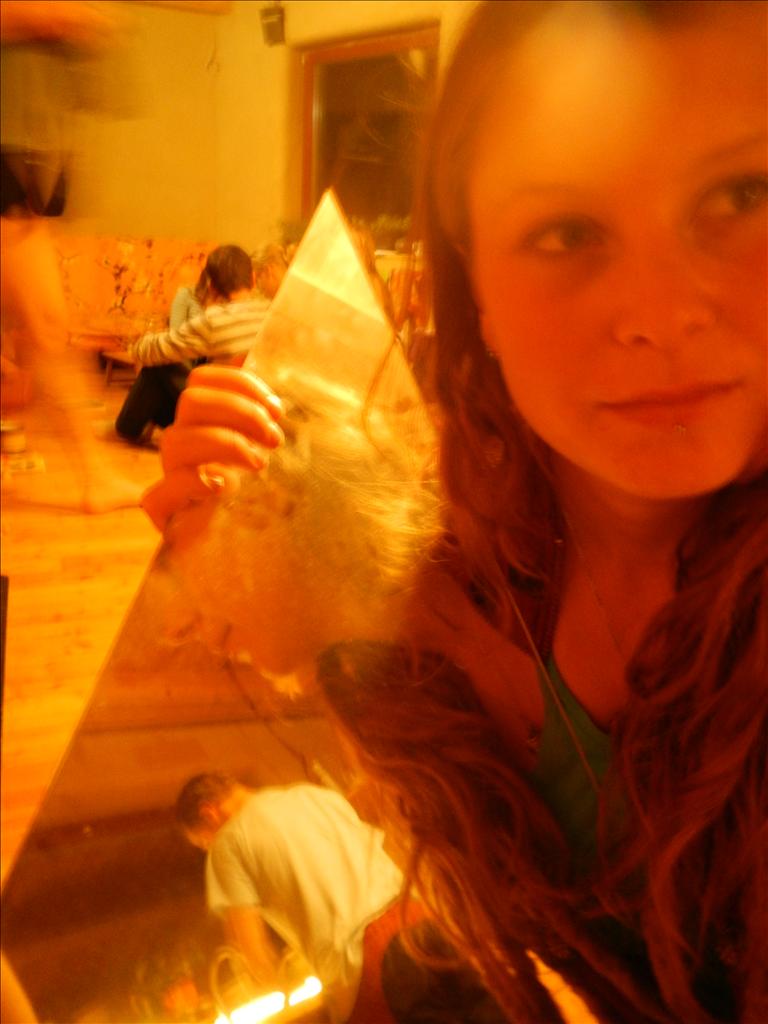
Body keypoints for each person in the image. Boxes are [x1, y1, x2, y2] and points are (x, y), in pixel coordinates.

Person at [143, 3, 767, 1023]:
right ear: (476, 290)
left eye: (742, 193)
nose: (661, 312)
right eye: (567, 230)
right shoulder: (433, 584)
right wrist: (223, 541)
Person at [1, 0, 143, 511]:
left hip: (23, 155)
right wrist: (53, 16)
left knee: (38, 330)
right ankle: (96, 477)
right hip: (8, 158)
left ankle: (94, 475)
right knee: (45, 326)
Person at [175, 774, 405, 1024]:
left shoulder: (227, 844)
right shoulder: (310, 795)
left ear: (209, 813)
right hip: (414, 918)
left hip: (367, 964)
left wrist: (275, 991)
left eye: (204, 842)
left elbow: (253, 950)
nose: (209, 848)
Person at [115, 245, 268, 443]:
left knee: (160, 364)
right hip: (257, 413)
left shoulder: (215, 321)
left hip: (223, 417)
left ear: (210, 286)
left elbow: (151, 349)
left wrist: (136, 347)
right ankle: (135, 424)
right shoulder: (270, 312)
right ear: (253, 279)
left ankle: (126, 428)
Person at [111, 264, 209, 444]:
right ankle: (131, 425)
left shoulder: (221, 312)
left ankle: (127, 426)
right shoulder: (187, 295)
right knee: (160, 362)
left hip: (202, 378)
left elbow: (174, 343)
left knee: (158, 364)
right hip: (188, 359)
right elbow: (175, 334)